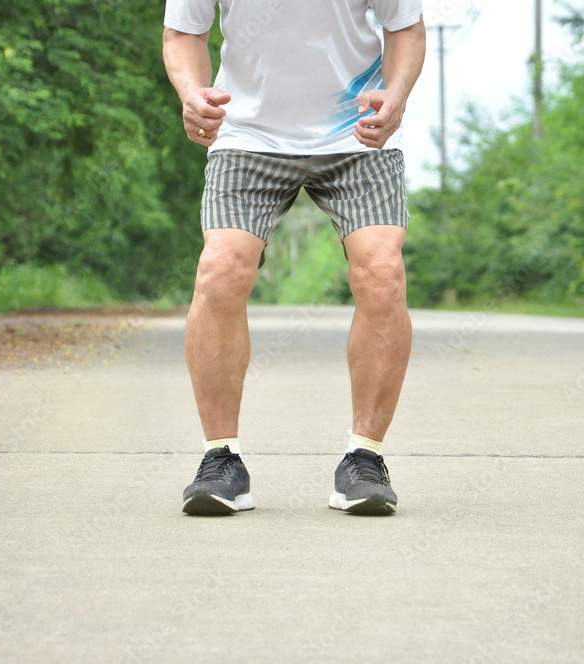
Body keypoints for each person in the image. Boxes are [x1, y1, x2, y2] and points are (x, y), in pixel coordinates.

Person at [162, 1, 426, 516]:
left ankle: (364, 459)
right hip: (247, 134)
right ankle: (221, 460)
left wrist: (396, 97)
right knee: (220, 269)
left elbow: (407, 28)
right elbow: (182, 34)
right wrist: (191, 92)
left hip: (358, 134)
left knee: (382, 270)